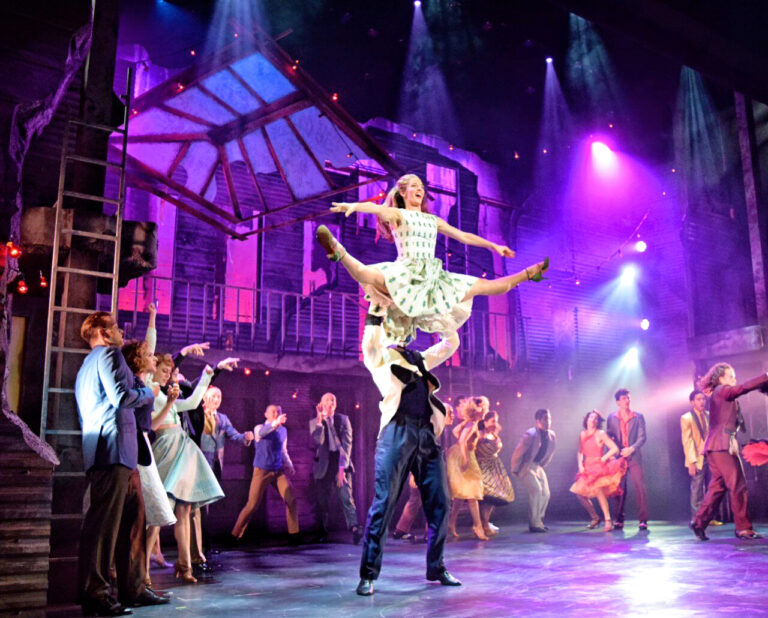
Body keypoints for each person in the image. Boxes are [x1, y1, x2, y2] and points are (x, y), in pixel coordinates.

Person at [318, 174, 549, 345]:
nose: (420, 189)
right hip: (406, 272)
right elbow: (376, 209)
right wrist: (353, 206)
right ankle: (338, 251)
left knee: (486, 286)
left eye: (421, 186)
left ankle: (529, 273)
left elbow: (464, 236)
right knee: (367, 274)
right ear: (402, 192)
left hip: (435, 278)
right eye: (414, 186)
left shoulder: (433, 220)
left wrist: (494, 245)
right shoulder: (399, 214)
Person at [356, 303, 461, 596]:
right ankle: (368, 575)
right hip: (396, 433)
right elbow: (369, 342)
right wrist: (375, 313)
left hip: (426, 433)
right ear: (390, 327)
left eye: (408, 323)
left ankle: (436, 566)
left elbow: (451, 343)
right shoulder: (380, 357)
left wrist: (439, 320)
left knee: (440, 502)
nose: (405, 327)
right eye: (398, 322)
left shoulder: (420, 359)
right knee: (384, 503)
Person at [74, 311, 168, 615]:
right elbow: (121, 397)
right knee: (104, 526)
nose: (121, 333)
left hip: (117, 451)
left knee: (132, 522)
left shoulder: (86, 365)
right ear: (103, 332)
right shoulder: (110, 355)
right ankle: (96, 593)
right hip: (112, 449)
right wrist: (147, 392)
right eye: (116, 328)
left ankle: (134, 588)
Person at [150, 355, 224, 584]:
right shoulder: (150, 392)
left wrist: (208, 374)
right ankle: (141, 571)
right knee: (157, 514)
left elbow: (192, 403)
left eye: (170, 372)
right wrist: (152, 317)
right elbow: (153, 424)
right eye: (165, 371)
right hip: (164, 449)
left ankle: (185, 566)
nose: (168, 375)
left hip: (180, 448)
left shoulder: (164, 395)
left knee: (184, 510)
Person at [691, 363, 768, 541]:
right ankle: (743, 528)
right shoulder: (722, 390)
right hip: (722, 446)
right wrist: (765, 376)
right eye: (730, 376)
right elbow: (742, 388)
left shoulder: (723, 395)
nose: (734, 379)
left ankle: (699, 522)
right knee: (738, 485)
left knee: (717, 487)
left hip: (717, 447)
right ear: (721, 378)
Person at [232, 405, 299, 538]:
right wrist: (275, 423)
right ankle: (236, 534)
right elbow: (262, 434)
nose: (276, 414)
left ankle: (294, 534)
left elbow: (283, 450)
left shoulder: (283, 430)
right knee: (252, 505)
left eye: (278, 412)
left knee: (291, 499)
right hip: (262, 470)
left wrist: (290, 464)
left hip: (278, 471)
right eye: (273, 412)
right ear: (266, 414)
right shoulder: (259, 428)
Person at [309, 392, 361, 543]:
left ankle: (354, 528)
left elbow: (347, 445)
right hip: (324, 464)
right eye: (326, 400)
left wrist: (341, 470)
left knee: (346, 497)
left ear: (335, 404)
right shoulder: (314, 422)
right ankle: (322, 532)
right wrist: (320, 420)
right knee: (321, 500)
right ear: (321, 404)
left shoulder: (343, 420)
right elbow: (318, 441)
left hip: (340, 462)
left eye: (333, 400)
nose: (330, 402)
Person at [570, 410, 626, 532]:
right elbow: (580, 451)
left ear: (598, 422)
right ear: (587, 419)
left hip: (598, 466)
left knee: (599, 490)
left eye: (596, 418)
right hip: (587, 466)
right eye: (591, 417)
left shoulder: (600, 433)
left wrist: (603, 458)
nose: (593, 420)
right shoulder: (583, 434)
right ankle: (595, 517)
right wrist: (580, 464)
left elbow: (614, 449)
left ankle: (608, 520)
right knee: (580, 494)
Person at [606, 389, 648, 531]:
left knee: (640, 487)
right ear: (618, 402)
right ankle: (619, 519)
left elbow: (642, 437)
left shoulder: (638, 417)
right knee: (619, 489)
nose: (627, 400)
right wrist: (612, 453)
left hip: (634, 456)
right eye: (624, 398)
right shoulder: (612, 418)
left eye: (628, 398)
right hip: (619, 457)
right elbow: (609, 436)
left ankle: (643, 520)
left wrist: (632, 448)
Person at [509, 409, 557, 533]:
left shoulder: (551, 435)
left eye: (549, 418)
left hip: (538, 466)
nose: (548, 421)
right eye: (546, 419)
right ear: (538, 421)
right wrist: (515, 468)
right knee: (536, 490)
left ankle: (539, 521)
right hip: (527, 466)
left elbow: (551, 451)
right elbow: (518, 452)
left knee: (546, 493)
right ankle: (534, 524)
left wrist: (543, 465)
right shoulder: (531, 434)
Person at [445, 402, 487, 540]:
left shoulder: (470, 423)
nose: (484, 411)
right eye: (481, 409)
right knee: (473, 493)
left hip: (464, 454)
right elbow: (462, 440)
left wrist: (466, 422)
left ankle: (451, 522)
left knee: (462, 494)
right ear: (475, 412)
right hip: (465, 455)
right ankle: (478, 526)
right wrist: (465, 458)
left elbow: (455, 431)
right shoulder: (472, 424)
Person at [681, 390, 722, 524]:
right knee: (697, 489)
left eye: (703, 399)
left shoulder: (709, 415)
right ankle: (697, 519)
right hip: (697, 458)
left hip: (711, 456)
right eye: (698, 399)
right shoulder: (686, 418)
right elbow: (688, 441)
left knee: (712, 487)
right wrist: (691, 462)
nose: (702, 402)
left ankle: (709, 517)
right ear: (692, 402)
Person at [476, 410, 515, 536]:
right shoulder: (480, 435)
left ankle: (485, 523)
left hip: (495, 467)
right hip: (483, 467)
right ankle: (484, 524)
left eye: (496, 421)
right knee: (486, 497)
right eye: (492, 421)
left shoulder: (494, 434)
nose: (495, 424)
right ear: (485, 422)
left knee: (494, 497)